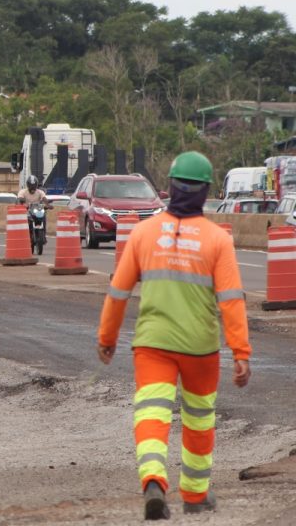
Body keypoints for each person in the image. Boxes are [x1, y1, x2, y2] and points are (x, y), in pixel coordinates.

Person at [96, 151, 250, 520]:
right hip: (200, 348)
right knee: (199, 421)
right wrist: (241, 352)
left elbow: (118, 291)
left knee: (152, 413)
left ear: (168, 188)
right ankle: (195, 496)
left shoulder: (144, 233)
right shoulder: (217, 240)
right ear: (206, 192)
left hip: (153, 344)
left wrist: (107, 337)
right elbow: (231, 301)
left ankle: (153, 479)